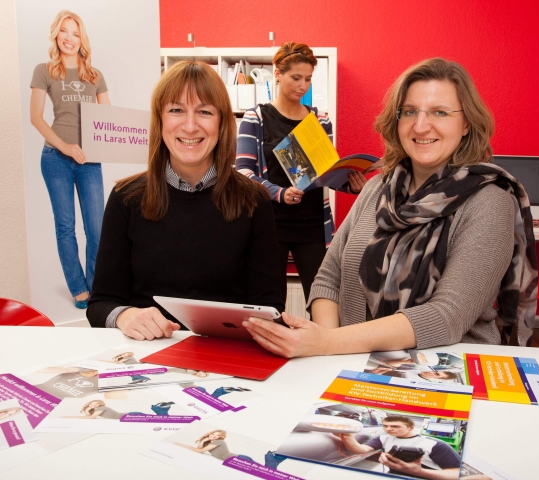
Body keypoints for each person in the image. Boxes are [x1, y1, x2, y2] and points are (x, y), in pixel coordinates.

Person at [242, 58, 538, 357]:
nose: (421, 126)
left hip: (445, 374)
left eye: (440, 112)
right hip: (351, 366)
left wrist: (329, 343)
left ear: (466, 124)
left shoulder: (491, 202)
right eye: (409, 112)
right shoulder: (376, 189)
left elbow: (448, 316)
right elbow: (329, 276)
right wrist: (328, 352)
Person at [86, 60, 284, 340]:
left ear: (223, 123)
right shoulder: (125, 198)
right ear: (160, 119)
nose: (190, 126)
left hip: (225, 358)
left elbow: (270, 307)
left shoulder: (254, 201)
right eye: (176, 110)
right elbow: (100, 305)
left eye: (204, 111)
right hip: (145, 359)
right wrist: (126, 316)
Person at [236, 42, 367, 304]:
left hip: (313, 227)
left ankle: (321, 344)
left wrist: (349, 184)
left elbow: (326, 171)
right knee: (269, 300)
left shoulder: (320, 121)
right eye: (296, 77)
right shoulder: (256, 118)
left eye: (308, 79)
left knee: (324, 299)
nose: (302, 86)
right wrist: (279, 193)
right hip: (270, 224)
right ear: (277, 73)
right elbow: (242, 174)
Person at [30, 10, 111, 309]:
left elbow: (109, 119)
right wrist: (64, 146)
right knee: (65, 225)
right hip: (55, 158)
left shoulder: (94, 75)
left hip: (90, 160)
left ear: (82, 39)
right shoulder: (45, 71)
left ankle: (94, 285)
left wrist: (118, 145)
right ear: (56, 35)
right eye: (64, 31)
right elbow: (36, 118)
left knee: (97, 228)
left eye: (75, 33)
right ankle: (78, 288)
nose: (69, 38)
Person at [337, 415, 461, 479]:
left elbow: (457, 474)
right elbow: (361, 451)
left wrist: (419, 472)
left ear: (411, 428)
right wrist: (348, 437)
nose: (388, 429)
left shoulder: (435, 444)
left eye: (395, 426)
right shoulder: (383, 438)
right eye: (385, 426)